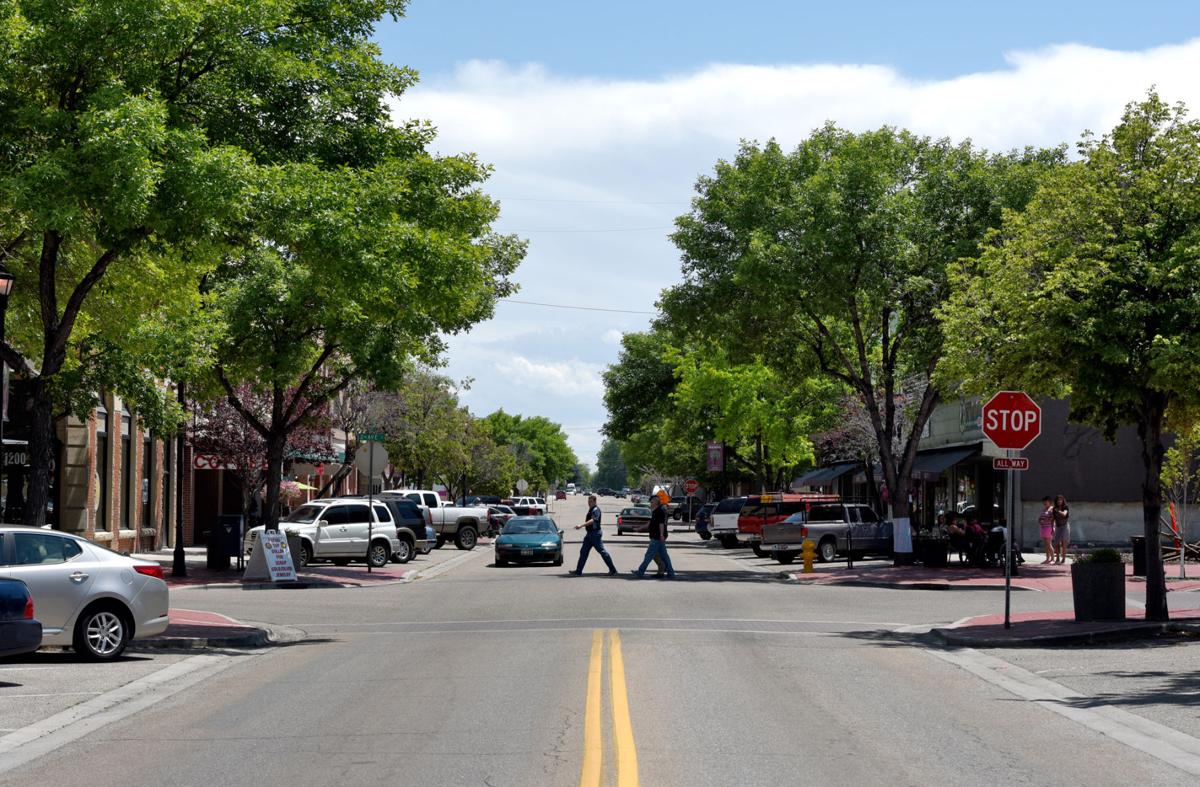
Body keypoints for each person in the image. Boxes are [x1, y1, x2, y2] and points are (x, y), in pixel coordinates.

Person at [569, 495, 617, 576]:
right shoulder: (591, 509)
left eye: (590, 501)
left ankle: (613, 570)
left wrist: (581, 525)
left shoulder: (596, 510)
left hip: (595, 534)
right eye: (588, 501)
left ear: (595, 501)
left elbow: (593, 520)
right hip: (589, 534)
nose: (589, 503)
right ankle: (578, 571)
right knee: (583, 552)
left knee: (602, 551)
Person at [632, 496, 676, 578]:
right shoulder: (655, 511)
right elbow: (650, 523)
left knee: (648, 555)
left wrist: (661, 535)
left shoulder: (660, 511)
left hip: (657, 537)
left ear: (656, 503)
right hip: (657, 537)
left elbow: (661, 524)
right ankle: (671, 573)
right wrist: (640, 528)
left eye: (652, 502)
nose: (650, 504)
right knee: (664, 556)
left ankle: (640, 572)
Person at [1052, 494, 1071, 564]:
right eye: (1058, 500)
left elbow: (1064, 514)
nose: (1059, 501)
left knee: (1064, 543)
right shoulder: (1054, 509)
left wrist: (1058, 511)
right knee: (1057, 543)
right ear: (1056, 501)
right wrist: (1052, 527)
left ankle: (1063, 559)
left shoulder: (1065, 507)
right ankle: (1057, 559)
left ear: (1063, 501)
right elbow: (1053, 519)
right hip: (1058, 526)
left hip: (1065, 526)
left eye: (1061, 500)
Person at [1038, 496, 1055, 564]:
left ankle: (1052, 559)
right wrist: (1040, 520)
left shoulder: (1052, 509)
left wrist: (1045, 520)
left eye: (1046, 501)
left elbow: (1053, 518)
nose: (1044, 503)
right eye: (1044, 501)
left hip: (1049, 528)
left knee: (1049, 544)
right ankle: (1047, 559)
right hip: (1043, 528)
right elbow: (1040, 518)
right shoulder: (1044, 509)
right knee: (1046, 545)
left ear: (1049, 502)